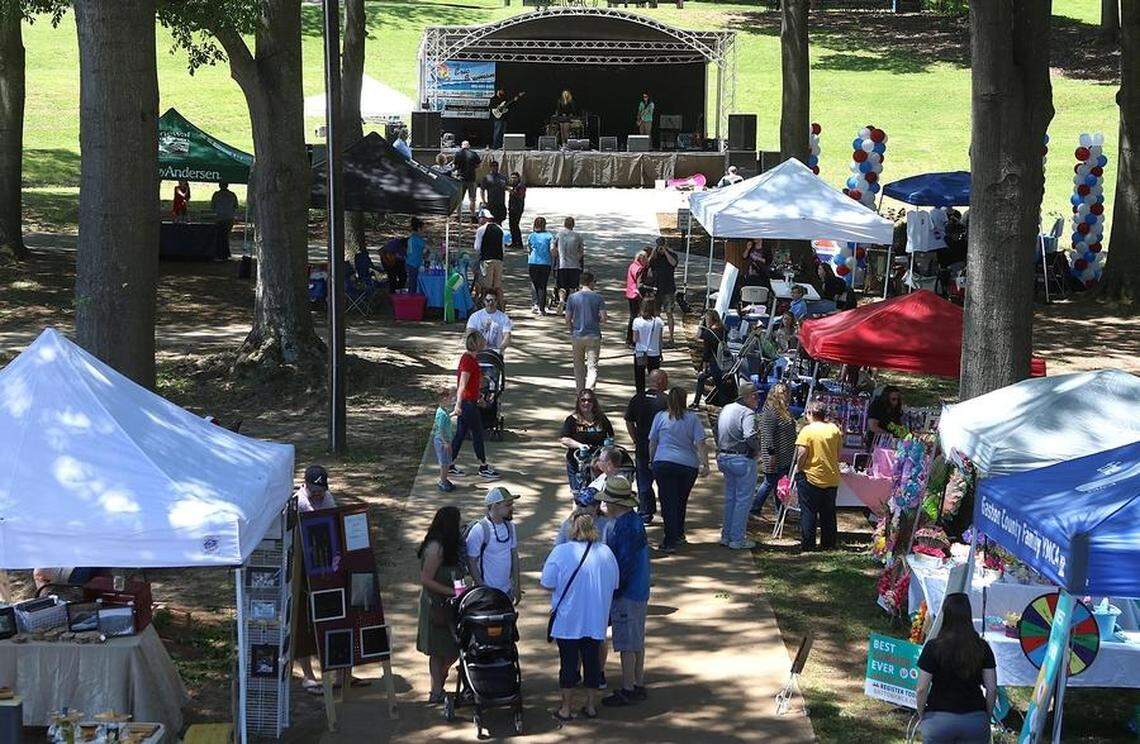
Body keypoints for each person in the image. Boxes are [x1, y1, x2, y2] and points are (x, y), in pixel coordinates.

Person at [294, 465, 368, 692]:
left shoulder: (328, 499)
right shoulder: (299, 504)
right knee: (305, 621)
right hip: (303, 570)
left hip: (328, 566)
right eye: (315, 490)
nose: (319, 494)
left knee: (339, 616)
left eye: (322, 490)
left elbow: (334, 526)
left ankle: (342, 673)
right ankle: (308, 675)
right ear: (306, 485)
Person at [540, 513, 619, 722]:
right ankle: (591, 705)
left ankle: (566, 708)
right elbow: (615, 583)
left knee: (568, 664)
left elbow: (547, 582)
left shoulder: (561, 551)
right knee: (593, 664)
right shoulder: (606, 553)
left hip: (568, 620)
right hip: (596, 619)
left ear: (572, 528)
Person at [916, 593, 997, 743]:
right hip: (975, 719)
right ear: (969, 615)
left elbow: (921, 688)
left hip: (938, 720)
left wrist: (922, 715)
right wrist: (987, 716)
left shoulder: (933, 647)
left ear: (945, 615)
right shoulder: (982, 647)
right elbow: (991, 688)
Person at [599, 476, 651, 707]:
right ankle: (638, 683)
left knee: (626, 644)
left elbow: (623, 565)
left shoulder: (620, 527)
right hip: (640, 589)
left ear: (614, 504)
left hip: (626, 593)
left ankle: (628, 688)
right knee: (637, 639)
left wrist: (613, 590)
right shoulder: (635, 521)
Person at [648, 387, 710, 554]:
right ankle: (679, 533)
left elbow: (652, 442)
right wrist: (706, 464)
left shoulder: (660, 417)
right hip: (687, 465)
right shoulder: (693, 419)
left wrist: (651, 460)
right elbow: (701, 443)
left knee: (668, 502)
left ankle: (670, 540)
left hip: (664, 462)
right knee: (680, 500)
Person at [417, 505, 465, 704]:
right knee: (438, 650)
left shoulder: (453, 545)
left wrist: (461, 593)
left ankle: (439, 682)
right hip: (436, 605)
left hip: (453, 604)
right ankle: (436, 690)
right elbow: (426, 579)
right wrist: (453, 592)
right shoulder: (435, 548)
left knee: (455, 648)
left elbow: (457, 573)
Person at [450, 330, 501, 480]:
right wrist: (458, 405)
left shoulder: (471, 359)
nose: (485, 342)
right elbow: (462, 385)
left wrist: (479, 398)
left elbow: (473, 385)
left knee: (460, 434)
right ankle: (483, 466)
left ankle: (450, 463)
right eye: (482, 341)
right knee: (478, 433)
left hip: (470, 402)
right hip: (467, 404)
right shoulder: (467, 361)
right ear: (477, 343)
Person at [716, 381, 760, 550]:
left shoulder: (726, 408)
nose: (757, 399)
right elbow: (749, 435)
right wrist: (758, 450)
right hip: (741, 459)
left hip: (724, 456)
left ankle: (726, 535)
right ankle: (737, 538)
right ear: (747, 397)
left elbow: (716, 429)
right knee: (743, 501)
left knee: (730, 499)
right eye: (755, 395)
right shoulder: (747, 413)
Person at [794, 402, 841, 551]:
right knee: (828, 513)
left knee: (808, 511)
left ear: (810, 414)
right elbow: (838, 451)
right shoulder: (834, 429)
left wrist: (799, 468)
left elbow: (801, 453)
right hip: (831, 476)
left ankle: (808, 544)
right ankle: (828, 543)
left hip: (811, 476)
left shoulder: (807, 431)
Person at [625, 369, 668, 524]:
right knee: (664, 483)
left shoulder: (638, 398)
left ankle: (645, 512)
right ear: (661, 382)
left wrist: (635, 438)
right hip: (662, 449)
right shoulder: (667, 400)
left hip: (642, 446)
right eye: (666, 380)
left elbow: (629, 421)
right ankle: (668, 513)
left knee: (644, 482)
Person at [467, 487, 521, 603]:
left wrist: (517, 586)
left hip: (507, 591)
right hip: (486, 594)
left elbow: (514, 556)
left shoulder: (510, 527)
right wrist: (482, 589)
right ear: (495, 506)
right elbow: (471, 562)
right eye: (508, 505)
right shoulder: (479, 530)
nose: (512, 508)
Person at [753, 382, 796, 518]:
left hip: (785, 455)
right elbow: (767, 435)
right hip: (774, 455)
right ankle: (755, 507)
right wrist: (771, 455)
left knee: (780, 482)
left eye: (787, 393)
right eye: (784, 393)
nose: (787, 396)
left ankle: (781, 510)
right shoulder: (770, 411)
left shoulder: (784, 410)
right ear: (776, 394)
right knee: (769, 482)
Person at [559, 389, 615, 491]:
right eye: (583, 400)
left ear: (594, 402)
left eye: (589, 400)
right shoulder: (571, 420)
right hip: (578, 462)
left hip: (598, 463)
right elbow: (564, 439)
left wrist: (607, 446)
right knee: (579, 494)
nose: (586, 403)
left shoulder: (601, 419)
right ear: (578, 402)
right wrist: (579, 445)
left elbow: (610, 436)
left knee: (598, 493)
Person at [565, 270, 607, 391]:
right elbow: (604, 318)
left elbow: (567, 318)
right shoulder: (598, 298)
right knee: (592, 367)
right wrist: (597, 319)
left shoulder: (572, 297)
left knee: (578, 367)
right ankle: (589, 393)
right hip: (593, 335)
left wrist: (571, 330)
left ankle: (580, 394)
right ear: (590, 283)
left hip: (577, 335)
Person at [645, 238, 678, 345]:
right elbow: (647, 265)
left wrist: (666, 252)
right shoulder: (655, 257)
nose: (660, 247)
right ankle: (657, 338)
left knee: (669, 313)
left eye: (662, 245)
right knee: (656, 314)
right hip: (657, 289)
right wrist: (654, 252)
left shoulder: (672, 254)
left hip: (668, 289)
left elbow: (673, 263)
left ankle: (671, 338)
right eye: (659, 245)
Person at [693, 310, 729, 407]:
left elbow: (706, 352)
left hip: (714, 362)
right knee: (705, 379)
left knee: (719, 385)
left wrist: (704, 367)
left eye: (706, 319)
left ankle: (724, 405)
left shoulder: (708, 333)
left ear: (710, 319)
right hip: (723, 360)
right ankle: (696, 402)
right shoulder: (724, 329)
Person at [631, 297, 663, 394]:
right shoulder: (658, 321)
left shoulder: (637, 321)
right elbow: (660, 340)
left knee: (639, 377)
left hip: (640, 352)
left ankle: (640, 396)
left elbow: (635, 339)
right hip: (654, 353)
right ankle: (654, 395)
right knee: (654, 378)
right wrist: (660, 352)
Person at [473, 209, 505, 306]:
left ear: (484, 218)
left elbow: (477, 247)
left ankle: (484, 305)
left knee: (486, 286)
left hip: (487, 260)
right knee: (497, 286)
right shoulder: (500, 229)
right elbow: (503, 247)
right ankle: (501, 306)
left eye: (480, 218)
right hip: (499, 260)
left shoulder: (481, 230)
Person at [553, 216, 585, 309]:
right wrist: (577, 259)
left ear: (564, 224)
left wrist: (556, 256)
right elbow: (581, 251)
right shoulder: (577, 236)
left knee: (561, 285)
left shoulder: (559, 235)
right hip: (574, 265)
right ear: (573, 225)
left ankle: (562, 300)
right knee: (572, 286)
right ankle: (570, 302)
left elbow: (552, 248)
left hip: (562, 264)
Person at [527, 216, 555, 315]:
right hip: (545, 263)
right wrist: (554, 258)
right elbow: (552, 249)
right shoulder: (549, 236)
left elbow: (529, 249)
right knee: (542, 285)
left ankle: (534, 304)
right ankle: (541, 308)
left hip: (533, 262)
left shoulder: (531, 236)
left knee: (534, 283)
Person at [432, 387, 457, 492]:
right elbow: (440, 429)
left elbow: (446, 419)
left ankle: (445, 479)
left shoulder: (443, 411)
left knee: (447, 462)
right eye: (449, 398)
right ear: (443, 399)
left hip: (445, 440)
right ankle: (442, 482)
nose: (451, 400)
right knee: (444, 463)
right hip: (442, 440)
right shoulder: (441, 413)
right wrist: (445, 442)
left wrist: (453, 414)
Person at [453, 140, 481, 222]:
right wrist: (473, 168)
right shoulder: (474, 153)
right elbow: (478, 165)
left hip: (461, 178)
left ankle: (458, 216)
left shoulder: (458, 154)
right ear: (469, 146)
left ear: (462, 146)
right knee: (472, 199)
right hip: (471, 179)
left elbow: (455, 166)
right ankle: (472, 216)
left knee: (459, 198)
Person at [624, 250, 648, 346]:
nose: (647, 260)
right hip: (636, 295)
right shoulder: (639, 269)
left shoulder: (632, 265)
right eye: (645, 258)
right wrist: (643, 294)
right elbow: (639, 284)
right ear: (640, 258)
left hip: (630, 294)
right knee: (635, 317)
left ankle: (630, 339)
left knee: (633, 316)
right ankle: (632, 339)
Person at [210, 182, 239, 260]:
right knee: (225, 236)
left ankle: (220, 254)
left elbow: (212, 206)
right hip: (229, 218)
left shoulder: (216, 194)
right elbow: (236, 206)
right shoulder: (232, 194)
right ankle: (225, 254)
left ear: (219, 186)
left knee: (220, 237)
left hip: (220, 218)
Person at [480, 159, 508, 225]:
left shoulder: (503, 178)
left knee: (500, 221)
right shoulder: (487, 178)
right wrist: (484, 201)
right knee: (491, 221)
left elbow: (506, 187)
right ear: (491, 167)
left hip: (501, 203)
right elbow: (482, 190)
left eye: (496, 166)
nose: (495, 167)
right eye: (493, 166)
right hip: (491, 203)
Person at [406, 217, 426, 295]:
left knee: (412, 283)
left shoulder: (412, 238)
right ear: (419, 229)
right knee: (413, 284)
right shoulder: (418, 239)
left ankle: (411, 299)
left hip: (410, 262)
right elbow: (428, 248)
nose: (424, 231)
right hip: (413, 264)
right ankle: (411, 301)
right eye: (423, 229)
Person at [507, 172, 526, 249]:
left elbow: (520, 196)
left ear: (518, 178)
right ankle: (514, 242)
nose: (513, 179)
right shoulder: (514, 186)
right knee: (512, 226)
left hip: (517, 209)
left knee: (515, 225)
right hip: (512, 208)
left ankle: (519, 243)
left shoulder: (521, 186)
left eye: (515, 178)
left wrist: (511, 191)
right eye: (512, 178)